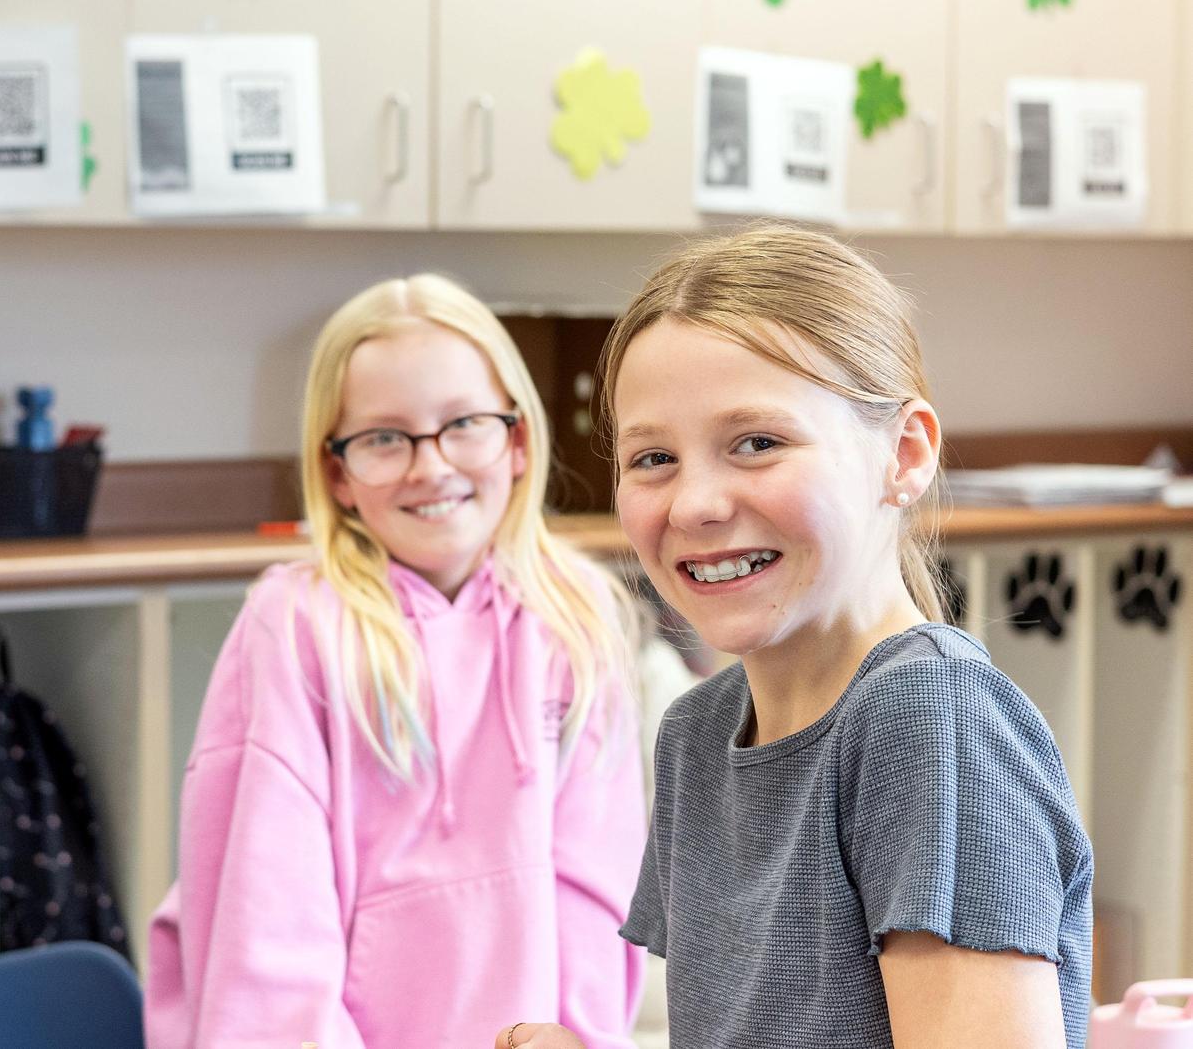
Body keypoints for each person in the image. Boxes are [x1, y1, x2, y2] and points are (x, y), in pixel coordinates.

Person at [500, 226, 1092, 1049]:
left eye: (758, 443)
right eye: (653, 458)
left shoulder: (930, 717)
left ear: (906, 453)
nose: (695, 503)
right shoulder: (697, 733)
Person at [147, 274, 646, 1049]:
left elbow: (597, 891)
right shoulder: (294, 627)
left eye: (465, 425)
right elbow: (268, 936)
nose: (431, 467)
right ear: (338, 471)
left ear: (517, 441)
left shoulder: (577, 617)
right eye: (385, 438)